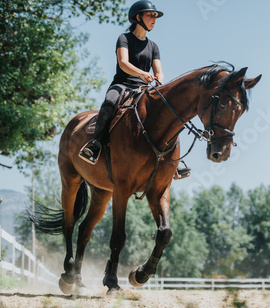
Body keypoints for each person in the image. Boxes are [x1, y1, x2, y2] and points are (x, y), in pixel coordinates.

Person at [80, 1, 190, 178]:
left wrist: (158, 83)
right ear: (138, 17)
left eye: (155, 16)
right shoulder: (124, 38)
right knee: (109, 103)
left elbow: (159, 72)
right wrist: (141, 74)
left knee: (168, 112)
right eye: (151, 15)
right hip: (122, 85)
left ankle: (174, 162)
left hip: (144, 89)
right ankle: (95, 145)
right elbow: (123, 63)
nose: (155, 19)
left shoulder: (153, 46)